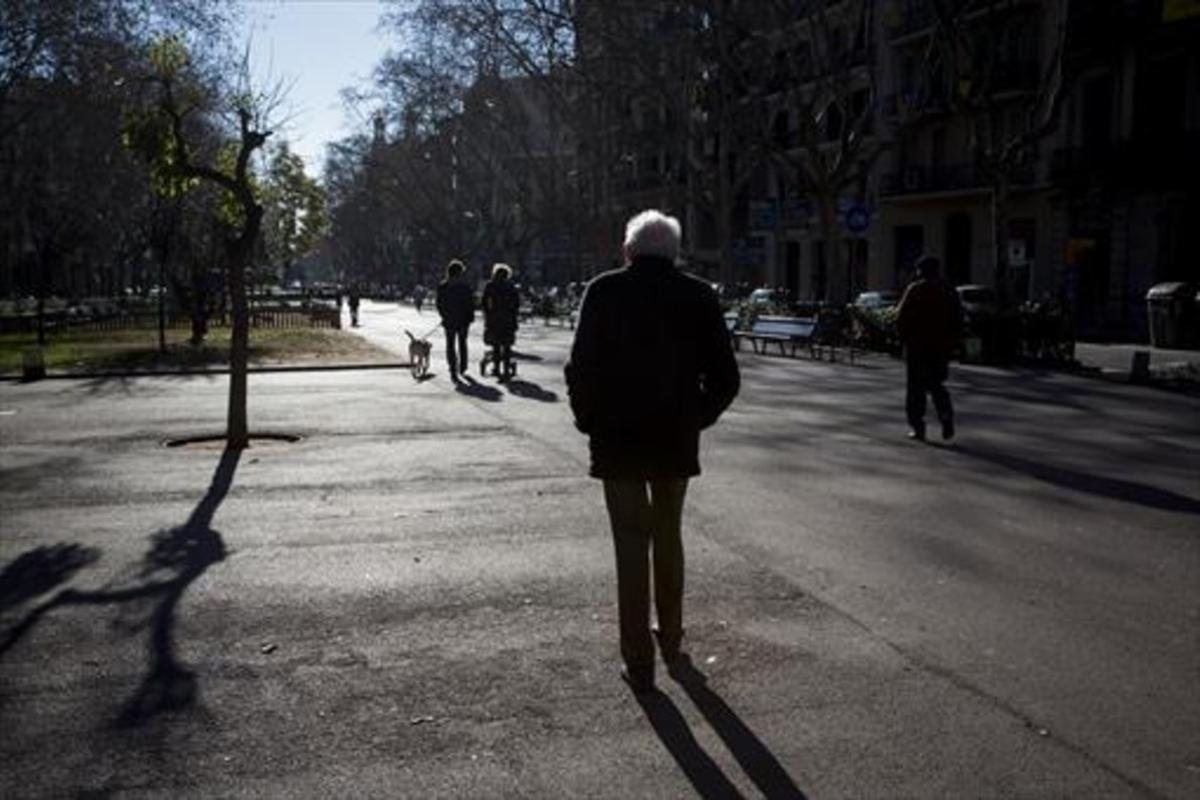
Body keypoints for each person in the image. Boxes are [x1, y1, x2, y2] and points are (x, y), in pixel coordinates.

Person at [565, 209, 740, 694]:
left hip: (618, 439)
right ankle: (673, 635)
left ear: (628, 250)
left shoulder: (602, 291)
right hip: (673, 438)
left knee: (629, 543)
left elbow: (580, 367)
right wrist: (694, 418)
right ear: (674, 253)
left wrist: (590, 421)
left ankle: (638, 658)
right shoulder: (699, 295)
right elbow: (726, 379)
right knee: (668, 535)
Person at [895, 254, 963, 441]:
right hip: (941, 347)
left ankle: (918, 426)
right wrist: (953, 343)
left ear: (920, 271)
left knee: (915, 389)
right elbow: (958, 320)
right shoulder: (949, 291)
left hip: (917, 347)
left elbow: (901, 318)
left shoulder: (916, 289)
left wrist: (903, 339)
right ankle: (946, 415)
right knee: (936, 385)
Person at [436, 260, 475, 379]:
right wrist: (470, 317)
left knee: (450, 344)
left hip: (449, 319)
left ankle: (452, 367)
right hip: (463, 320)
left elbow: (439, 304)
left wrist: (443, 315)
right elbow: (470, 304)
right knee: (462, 343)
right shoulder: (465, 287)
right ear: (460, 273)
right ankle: (463, 366)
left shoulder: (443, 286)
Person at [481, 263, 520, 379]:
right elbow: (516, 303)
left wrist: (488, 313)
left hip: (494, 318)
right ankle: (506, 369)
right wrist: (512, 313)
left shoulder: (490, 285)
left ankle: (496, 369)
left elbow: (484, 301)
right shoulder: (511, 286)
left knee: (496, 345)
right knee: (507, 345)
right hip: (508, 319)